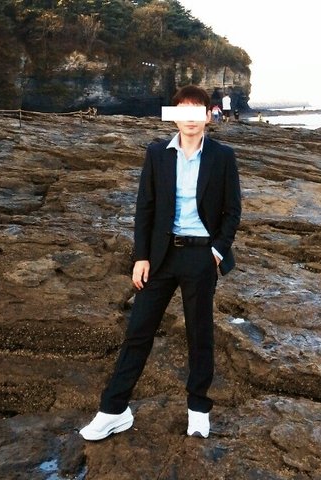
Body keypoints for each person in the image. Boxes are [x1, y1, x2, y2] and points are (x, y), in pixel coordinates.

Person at [79, 85, 241, 441]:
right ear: (174, 115)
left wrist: (216, 252)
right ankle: (114, 410)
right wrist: (141, 257)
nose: (190, 118)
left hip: (201, 256)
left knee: (200, 335)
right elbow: (145, 208)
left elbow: (233, 211)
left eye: (197, 111)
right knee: (138, 330)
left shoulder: (222, 156)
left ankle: (198, 409)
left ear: (208, 116)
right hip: (161, 256)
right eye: (183, 110)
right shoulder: (157, 154)